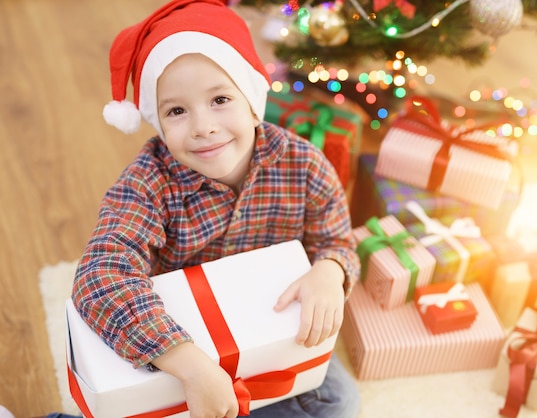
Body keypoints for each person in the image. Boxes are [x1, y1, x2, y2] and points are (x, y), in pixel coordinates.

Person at [70, 0, 361, 417]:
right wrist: (193, 370)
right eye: (177, 111)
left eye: (220, 99)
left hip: (266, 330)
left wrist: (330, 270)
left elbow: (337, 240)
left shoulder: (304, 164)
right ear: (159, 122)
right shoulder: (147, 184)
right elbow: (98, 277)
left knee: (338, 401)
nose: (203, 126)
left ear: (251, 99)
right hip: (179, 343)